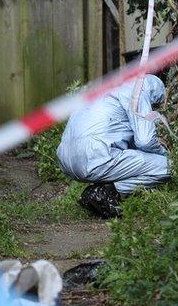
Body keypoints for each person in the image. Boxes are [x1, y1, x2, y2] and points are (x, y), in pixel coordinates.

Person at [56, 75, 170, 217]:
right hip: (95, 156)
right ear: (154, 96)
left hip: (65, 160)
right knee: (166, 166)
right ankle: (106, 192)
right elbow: (145, 141)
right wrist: (164, 153)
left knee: (126, 159)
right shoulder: (139, 91)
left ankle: (100, 192)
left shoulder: (104, 90)